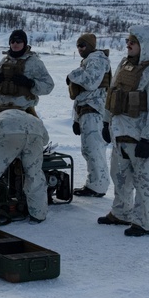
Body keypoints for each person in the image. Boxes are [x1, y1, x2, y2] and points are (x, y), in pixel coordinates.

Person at [0, 29, 55, 223]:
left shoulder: (34, 62)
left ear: (25, 43)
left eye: (19, 41)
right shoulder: (5, 61)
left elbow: (48, 86)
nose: (15, 44)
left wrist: (30, 83)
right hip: (1, 111)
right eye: (12, 41)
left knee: (28, 170)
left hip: (24, 111)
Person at [98, 25, 149, 237]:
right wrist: (105, 122)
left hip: (141, 138)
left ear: (145, 45)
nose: (128, 44)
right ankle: (121, 213)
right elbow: (112, 94)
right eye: (128, 40)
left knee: (144, 181)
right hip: (120, 134)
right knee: (119, 176)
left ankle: (143, 222)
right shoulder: (124, 64)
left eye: (134, 41)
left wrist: (148, 139)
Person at [0, 107, 49, 224]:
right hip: (35, 132)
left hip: (8, 132)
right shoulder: (31, 117)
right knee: (34, 174)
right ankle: (38, 214)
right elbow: (45, 140)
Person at [66, 33, 112, 197]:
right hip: (87, 110)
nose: (79, 49)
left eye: (83, 45)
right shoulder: (88, 61)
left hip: (94, 110)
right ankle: (95, 184)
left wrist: (73, 75)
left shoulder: (97, 60)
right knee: (89, 149)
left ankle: (98, 185)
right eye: (78, 46)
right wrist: (76, 119)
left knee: (94, 149)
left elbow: (91, 83)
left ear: (91, 46)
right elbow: (81, 96)